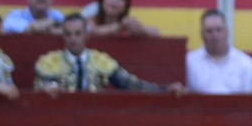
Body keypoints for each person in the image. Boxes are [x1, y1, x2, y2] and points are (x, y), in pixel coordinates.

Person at [34, 13, 182, 92]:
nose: (73, 39)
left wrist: (164, 89)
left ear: (87, 35)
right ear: (63, 36)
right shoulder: (49, 62)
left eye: (78, 33)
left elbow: (131, 85)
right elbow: (39, 87)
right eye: (68, 34)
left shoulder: (100, 60)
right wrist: (46, 89)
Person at [185, 8, 252, 94]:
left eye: (219, 30)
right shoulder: (189, 61)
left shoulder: (245, 63)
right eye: (209, 31)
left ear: (227, 32)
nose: (215, 35)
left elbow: (248, 101)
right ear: (202, 34)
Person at [84, 0, 158, 36]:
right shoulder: (92, 19)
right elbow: (92, 31)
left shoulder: (128, 24)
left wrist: (142, 30)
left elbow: (155, 33)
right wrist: (119, 26)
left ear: (125, 6)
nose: (114, 1)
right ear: (102, 0)